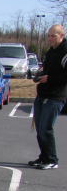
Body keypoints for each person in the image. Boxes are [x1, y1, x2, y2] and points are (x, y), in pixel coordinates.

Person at [29, 24, 67, 169]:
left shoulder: (65, 51)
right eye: (49, 35)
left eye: (53, 36)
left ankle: (52, 160)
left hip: (55, 97)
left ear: (61, 36)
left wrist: (49, 78)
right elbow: (47, 68)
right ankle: (44, 157)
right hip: (42, 94)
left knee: (46, 128)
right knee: (39, 128)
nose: (50, 38)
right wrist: (41, 73)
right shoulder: (51, 51)